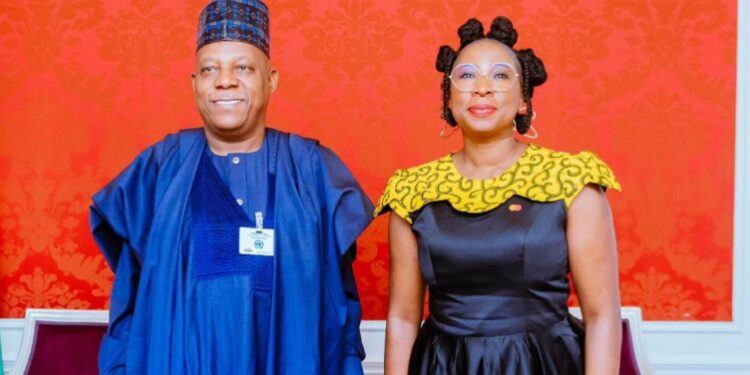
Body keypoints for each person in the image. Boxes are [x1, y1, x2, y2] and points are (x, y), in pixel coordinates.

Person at [90, 1, 373, 373]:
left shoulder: (312, 170)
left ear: (270, 80)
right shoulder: (160, 168)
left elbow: (341, 309)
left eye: (242, 67)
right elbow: (127, 305)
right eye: (209, 69)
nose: (225, 80)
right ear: (195, 84)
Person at [375, 16, 622, 374]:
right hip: (443, 364)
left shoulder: (571, 180)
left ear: (523, 100)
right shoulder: (412, 191)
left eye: (501, 75)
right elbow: (401, 318)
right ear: (449, 97)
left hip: (543, 362)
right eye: (467, 75)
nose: (482, 87)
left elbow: (601, 316)